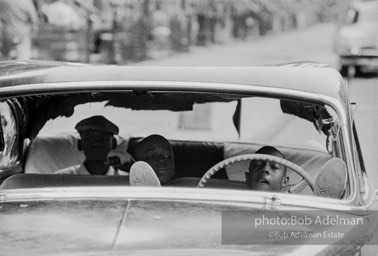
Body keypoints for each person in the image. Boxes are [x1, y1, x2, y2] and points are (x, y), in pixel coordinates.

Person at [55, 115, 133, 175]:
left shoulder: (126, 180)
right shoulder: (61, 178)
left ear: (113, 144)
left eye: (104, 139)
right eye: (88, 139)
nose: (96, 143)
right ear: (80, 144)